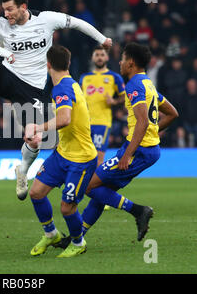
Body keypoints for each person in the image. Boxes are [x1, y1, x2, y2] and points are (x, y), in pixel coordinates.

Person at [0, 0, 112, 201]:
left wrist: (102, 38)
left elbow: (77, 23)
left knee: (34, 138)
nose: (6, 14)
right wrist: (0, 50)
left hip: (33, 88)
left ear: (23, 7)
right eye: (4, 10)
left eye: (10, 10)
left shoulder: (46, 19)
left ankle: (22, 171)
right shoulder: (1, 25)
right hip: (8, 77)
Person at [62, 43, 179, 248]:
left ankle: (138, 210)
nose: (120, 62)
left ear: (131, 63)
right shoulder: (147, 84)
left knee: (89, 184)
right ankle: (76, 237)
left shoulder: (134, 84)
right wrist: (153, 131)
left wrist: (128, 155)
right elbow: (172, 113)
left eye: (123, 59)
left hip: (138, 150)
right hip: (146, 149)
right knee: (103, 189)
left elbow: (142, 122)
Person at [24, 45, 98, 258]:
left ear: (47, 65)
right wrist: (44, 136)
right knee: (36, 193)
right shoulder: (69, 83)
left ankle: (78, 242)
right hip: (63, 153)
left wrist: (37, 128)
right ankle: (51, 234)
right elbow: (71, 122)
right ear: (68, 63)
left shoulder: (62, 88)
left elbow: (65, 119)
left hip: (81, 159)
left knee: (67, 208)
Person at [79, 45, 125, 166]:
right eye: (97, 55)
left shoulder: (114, 77)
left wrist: (114, 101)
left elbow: (125, 96)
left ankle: (96, 184)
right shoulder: (84, 78)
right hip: (84, 123)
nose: (100, 58)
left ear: (107, 58)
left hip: (102, 122)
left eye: (102, 55)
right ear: (93, 58)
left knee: (98, 159)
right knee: (82, 157)